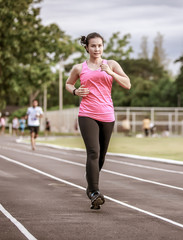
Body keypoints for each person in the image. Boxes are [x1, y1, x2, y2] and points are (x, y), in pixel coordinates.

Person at [65, 32, 131, 210]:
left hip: (107, 115)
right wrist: (75, 91)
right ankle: (94, 192)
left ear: (103, 47)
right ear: (87, 48)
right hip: (87, 114)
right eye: (93, 46)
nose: (97, 49)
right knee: (93, 152)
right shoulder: (80, 68)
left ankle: (90, 186)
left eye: (99, 45)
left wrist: (111, 73)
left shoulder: (111, 64)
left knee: (101, 155)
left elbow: (127, 84)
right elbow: (68, 83)